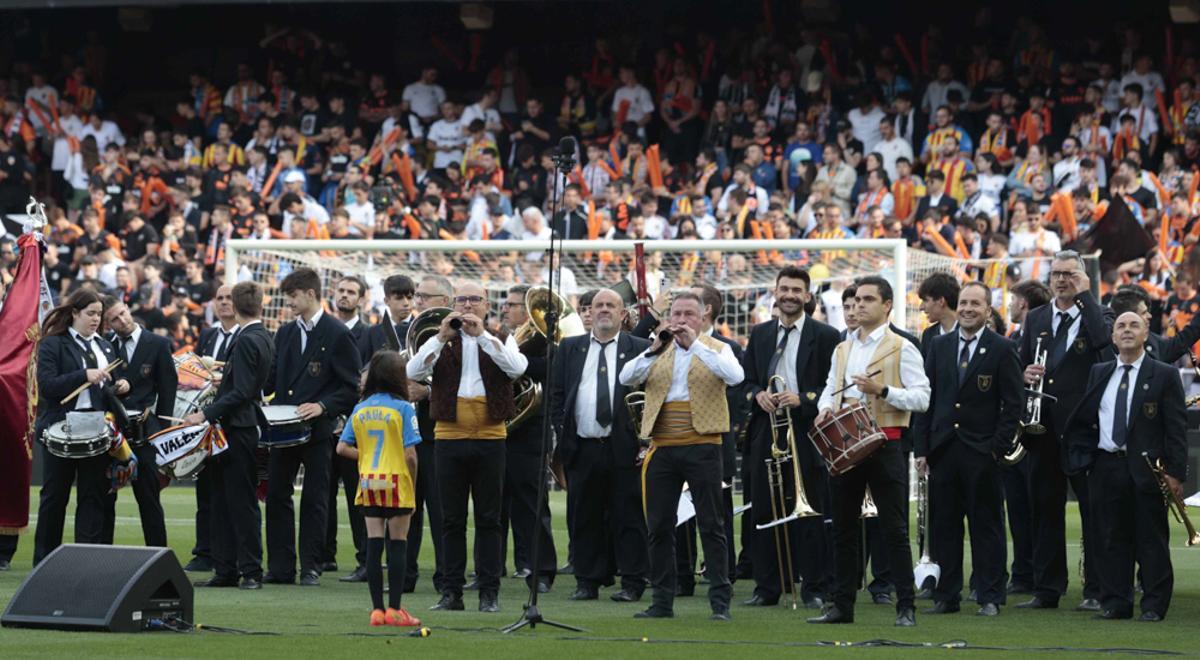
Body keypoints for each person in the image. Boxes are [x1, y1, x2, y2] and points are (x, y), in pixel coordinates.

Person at [809, 276, 929, 627]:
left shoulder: (902, 346)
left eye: (867, 300)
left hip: (886, 443)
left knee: (893, 528)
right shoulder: (842, 348)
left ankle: (906, 606)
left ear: (887, 305)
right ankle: (842, 606)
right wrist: (825, 410)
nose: (859, 305)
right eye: (856, 300)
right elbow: (831, 389)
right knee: (843, 528)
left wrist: (884, 390)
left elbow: (922, 397)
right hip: (846, 447)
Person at [618, 291, 745, 620]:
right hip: (662, 446)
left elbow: (735, 377)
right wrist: (651, 349)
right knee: (659, 525)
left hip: (703, 445)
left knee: (711, 524)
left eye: (689, 314)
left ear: (704, 317)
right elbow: (625, 377)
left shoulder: (718, 348)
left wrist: (696, 345)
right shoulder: (658, 349)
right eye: (676, 314)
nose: (682, 321)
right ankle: (662, 601)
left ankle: (720, 602)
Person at [406, 282, 529, 613]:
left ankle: (489, 592)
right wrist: (441, 336)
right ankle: (451, 592)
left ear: (487, 304)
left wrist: (483, 337)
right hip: (449, 437)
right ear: (453, 304)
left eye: (475, 299)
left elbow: (517, 368)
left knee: (490, 519)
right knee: (451, 520)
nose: (469, 305)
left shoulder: (502, 337)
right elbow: (413, 372)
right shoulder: (440, 337)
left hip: (490, 438)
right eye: (462, 300)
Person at [1063, 312, 1186, 622]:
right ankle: (1116, 602)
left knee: (1150, 539)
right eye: (1121, 326)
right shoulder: (1099, 371)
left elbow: (1176, 429)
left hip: (1147, 469)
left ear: (1146, 335)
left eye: (1134, 325)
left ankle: (1154, 606)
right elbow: (1088, 417)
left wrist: (1174, 473)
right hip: (1106, 467)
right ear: (1113, 337)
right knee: (1110, 538)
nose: (1127, 330)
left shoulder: (1164, 374)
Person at [913, 282, 1022, 616]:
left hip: (982, 453)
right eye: (964, 303)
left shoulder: (1002, 349)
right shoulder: (939, 345)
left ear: (988, 310)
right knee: (944, 526)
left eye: (976, 303)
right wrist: (922, 449)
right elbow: (927, 401)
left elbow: (1013, 404)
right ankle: (947, 596)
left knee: (986, 526)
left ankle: (990, 596)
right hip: (943, 451)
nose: (968, 309)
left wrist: (996, 448)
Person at [1017, 250, 1113, 612]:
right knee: (1044, 511)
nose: (1061, 280)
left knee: (1093, 511)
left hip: (1084, 428)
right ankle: (1047, 589)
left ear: (1084, 278)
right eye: (1056, 274)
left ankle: (1097, 588)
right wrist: (1024, 374)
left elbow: (1105, 345)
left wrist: (1087, 297)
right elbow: (1022, 359)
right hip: (1042, 429)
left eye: (1070, 274)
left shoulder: (1098, 313)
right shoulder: (1037, 316)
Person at [742, 266, 840, 608]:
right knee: (764, 509)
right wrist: (758, 395)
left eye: (796, 290)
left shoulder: (826, 335)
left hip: (806, 430)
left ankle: (814, 586)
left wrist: (804, 398)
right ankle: (767, 587)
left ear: (807, 296)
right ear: (775, 292)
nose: (789, 295)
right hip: (766, 429)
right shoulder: (760, 333)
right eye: (784, 289)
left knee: (810, 507)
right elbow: (747, 380)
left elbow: (833, 384)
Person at [550, 288, 651, 602]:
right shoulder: (569, 347)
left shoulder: (641, 347)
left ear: (623, 314)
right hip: (583, 446)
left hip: (626, 448)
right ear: (589, 313)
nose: (604, 310)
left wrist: (645, 441)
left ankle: (633, 581)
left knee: (629, 516)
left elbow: (652, 396)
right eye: (599, 305)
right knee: (584, 516)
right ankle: (587, 581)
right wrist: (562, 429)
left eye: (611, 305)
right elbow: (556, 394)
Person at [264, 267, 362, 587]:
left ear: (310, 294)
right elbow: (274, 378)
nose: (288, 303)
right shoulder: (286, 333)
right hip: (283, 431)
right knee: (277, 494)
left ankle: (311, 566)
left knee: (316, 498)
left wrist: (322, 406)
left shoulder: (338, 333)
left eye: (292, 296)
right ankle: (280, 566)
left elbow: (350, 387)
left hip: (318, 431)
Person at [33, 289, 136, 564]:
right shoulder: (54, 344)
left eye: (99, 314)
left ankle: (85, 561)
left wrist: (120, 387)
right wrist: (83, 375)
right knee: (55, 497)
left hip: (97, 428)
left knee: (92, 497)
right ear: (75, 313)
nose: (96, 319)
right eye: (90, 313)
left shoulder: (104, 346)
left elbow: (107, 386)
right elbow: (47, 386)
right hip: (62, 427)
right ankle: (44, 560)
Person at [189, 281, 274, 589]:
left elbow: (241, 391)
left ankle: (249, 570)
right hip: (238, 426)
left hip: (236, 428)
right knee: (225, 499)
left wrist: (205, 413)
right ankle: (227, 569)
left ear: (235, 307)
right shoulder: (262, 336)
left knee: (239, 501)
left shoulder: (247, 339)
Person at [337, 350, 423, 628]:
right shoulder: (403, 408)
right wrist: (412, 480)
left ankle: (376, 610)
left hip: (369, 482)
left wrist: (366, 457)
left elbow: (341, 447)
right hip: (397, 481)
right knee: (398, 544)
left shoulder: (360, 408)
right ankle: (396, 609)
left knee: (374, 544)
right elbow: (410, 455)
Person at [101, 297, 176, 548]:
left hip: (145, 433)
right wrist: (114, 388)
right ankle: (100, 554)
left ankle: (157, 554)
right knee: (104, 497)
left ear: (127, 307)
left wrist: (164, 435)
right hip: (112, 432)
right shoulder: (103, 345)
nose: (122, 320)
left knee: (148, 498)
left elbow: (168, 391)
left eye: (123, 313)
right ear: (107, 323)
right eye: (114, 319)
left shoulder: (158, 344)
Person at [499, 284, 556, 590]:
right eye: (506, 304)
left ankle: (540, 570)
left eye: (512, 304)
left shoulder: (546, 342)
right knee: (494, 506)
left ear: (529, 311)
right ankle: (493, 568)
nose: (505, 309)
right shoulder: (502, 338)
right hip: (498, 430)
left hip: (530, 431)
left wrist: (511, 363)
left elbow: (552, 369)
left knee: (532, 506)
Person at [397, 275, 451, 593]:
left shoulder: (460, 336)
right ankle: (405, 575)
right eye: (417, 296)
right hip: (409, 435)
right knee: (407, 507)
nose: (417, 302)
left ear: (444, 300)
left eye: (424, 297)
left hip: (440, 434)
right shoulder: (412, 333)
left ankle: (446, 577)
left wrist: (427, 390)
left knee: (442, 512)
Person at [185, 284, 239, 573]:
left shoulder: (248, 334)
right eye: (219, 298)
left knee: (231, 492)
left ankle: (232, 553)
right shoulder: (207, 335)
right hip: (205, 423)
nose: (224, 303)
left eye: (229, 298)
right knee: (204, 489)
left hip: (233, 423)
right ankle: (204, 551)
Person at [323, 274, 370, 580]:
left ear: (362, 299)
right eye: (341, 290)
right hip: (326, 425)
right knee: (323, 494)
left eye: (351, 291)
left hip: (360, 429)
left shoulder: (369, 334)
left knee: (358, 495)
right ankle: (324, 556)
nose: (345, 295)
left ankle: (365, 558)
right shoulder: (324, 331)